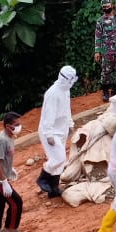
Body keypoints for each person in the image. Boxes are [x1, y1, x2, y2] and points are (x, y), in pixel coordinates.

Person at [37, 66, 77, 198]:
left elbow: (67, 109)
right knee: (59, 158)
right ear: (63, 78)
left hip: (61, 130)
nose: (71, 83)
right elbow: (48, 115)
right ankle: (43, 177)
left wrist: (70, 124)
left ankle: (53, 189)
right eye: (70, 80)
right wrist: (48, 134)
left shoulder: (65, 91)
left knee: (59, 162)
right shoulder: (53, 93)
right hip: (50, 132)